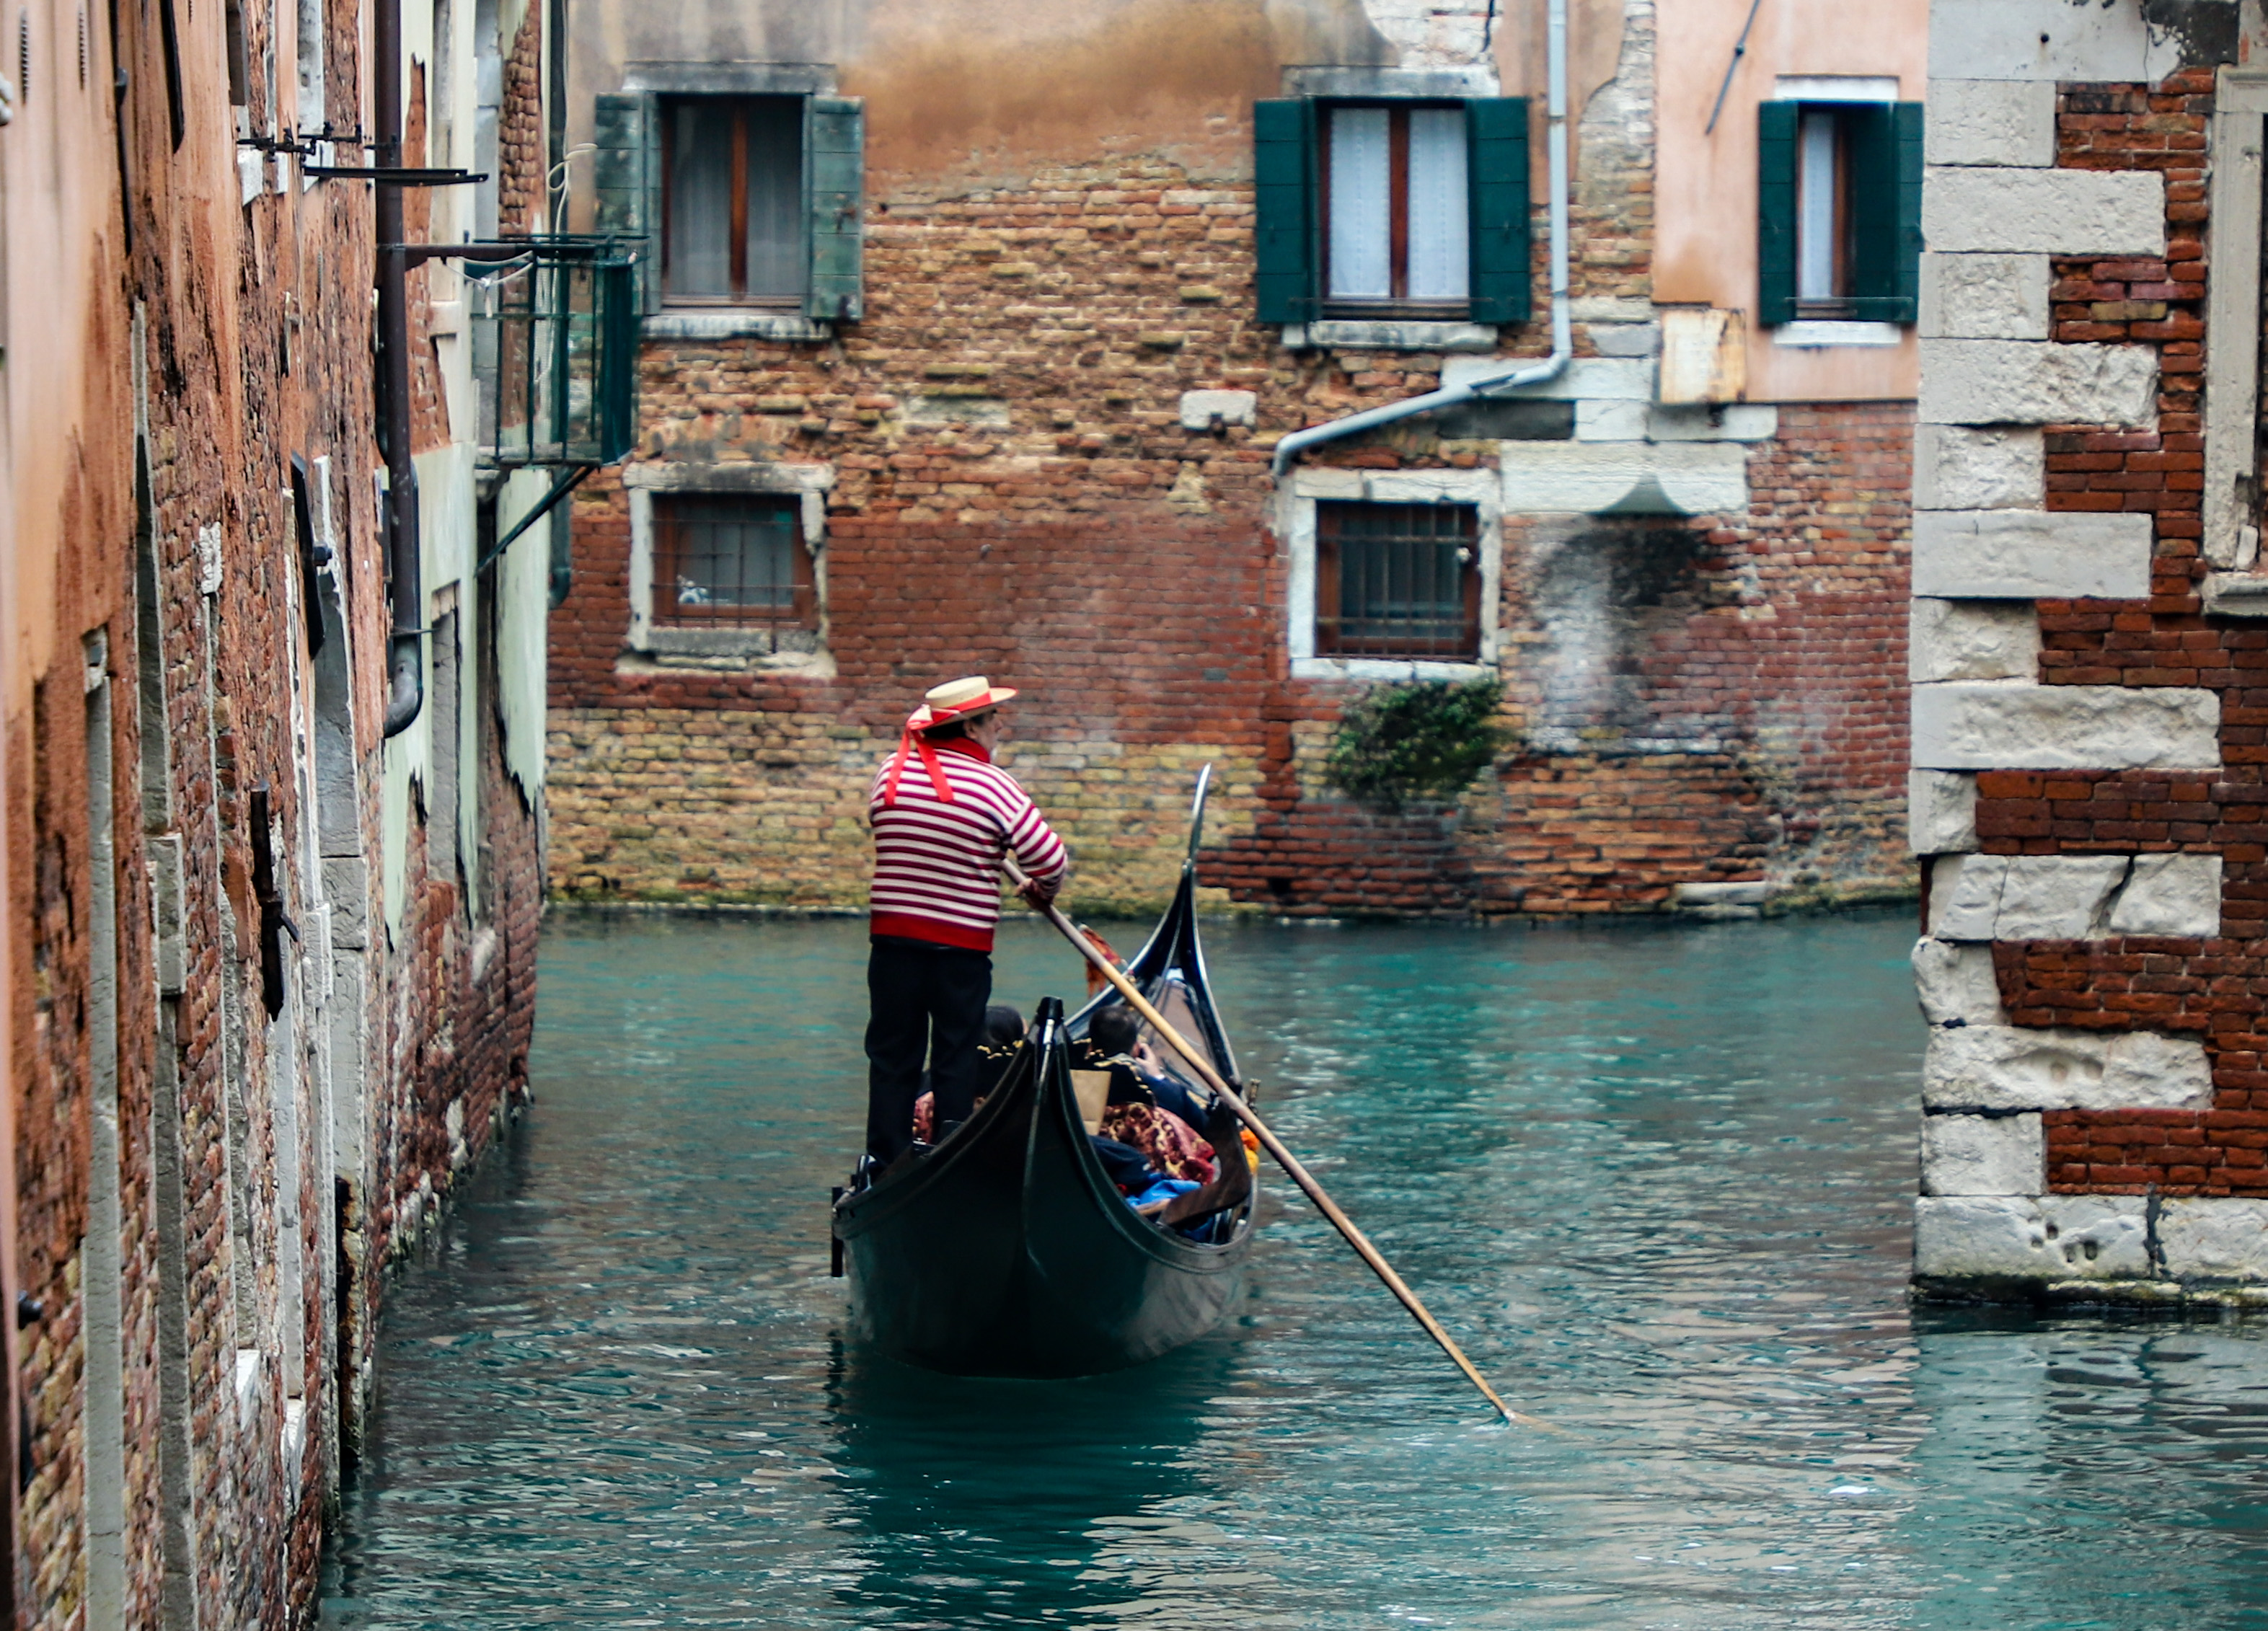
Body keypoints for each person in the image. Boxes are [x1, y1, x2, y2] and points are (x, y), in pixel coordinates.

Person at [864, 676, 1068, 1167]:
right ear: (971, 728)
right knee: (956, 1054)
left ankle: (888, 1158)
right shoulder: (994, 786)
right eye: (991, 717)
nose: (1000, 724)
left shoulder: (890, 772)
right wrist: (1041, 891)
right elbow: (1050, 860)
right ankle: (949, 1154)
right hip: (960, 949)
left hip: (892, 943)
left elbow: (888, 826)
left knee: (892, 1055)